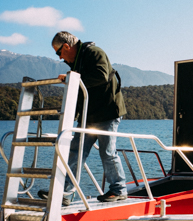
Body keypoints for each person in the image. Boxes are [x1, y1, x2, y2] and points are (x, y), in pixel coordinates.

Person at [38, 31, 127, 204]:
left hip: (108, 113)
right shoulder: (78, 61)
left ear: (66, 46)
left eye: (59, 53)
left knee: (107, 151)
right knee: (75, 150)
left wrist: (72, 78)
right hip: (89, 115)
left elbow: (101, 76)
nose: (60, 58)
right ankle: (64, 193)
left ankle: (119, 190)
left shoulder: (94, 53)